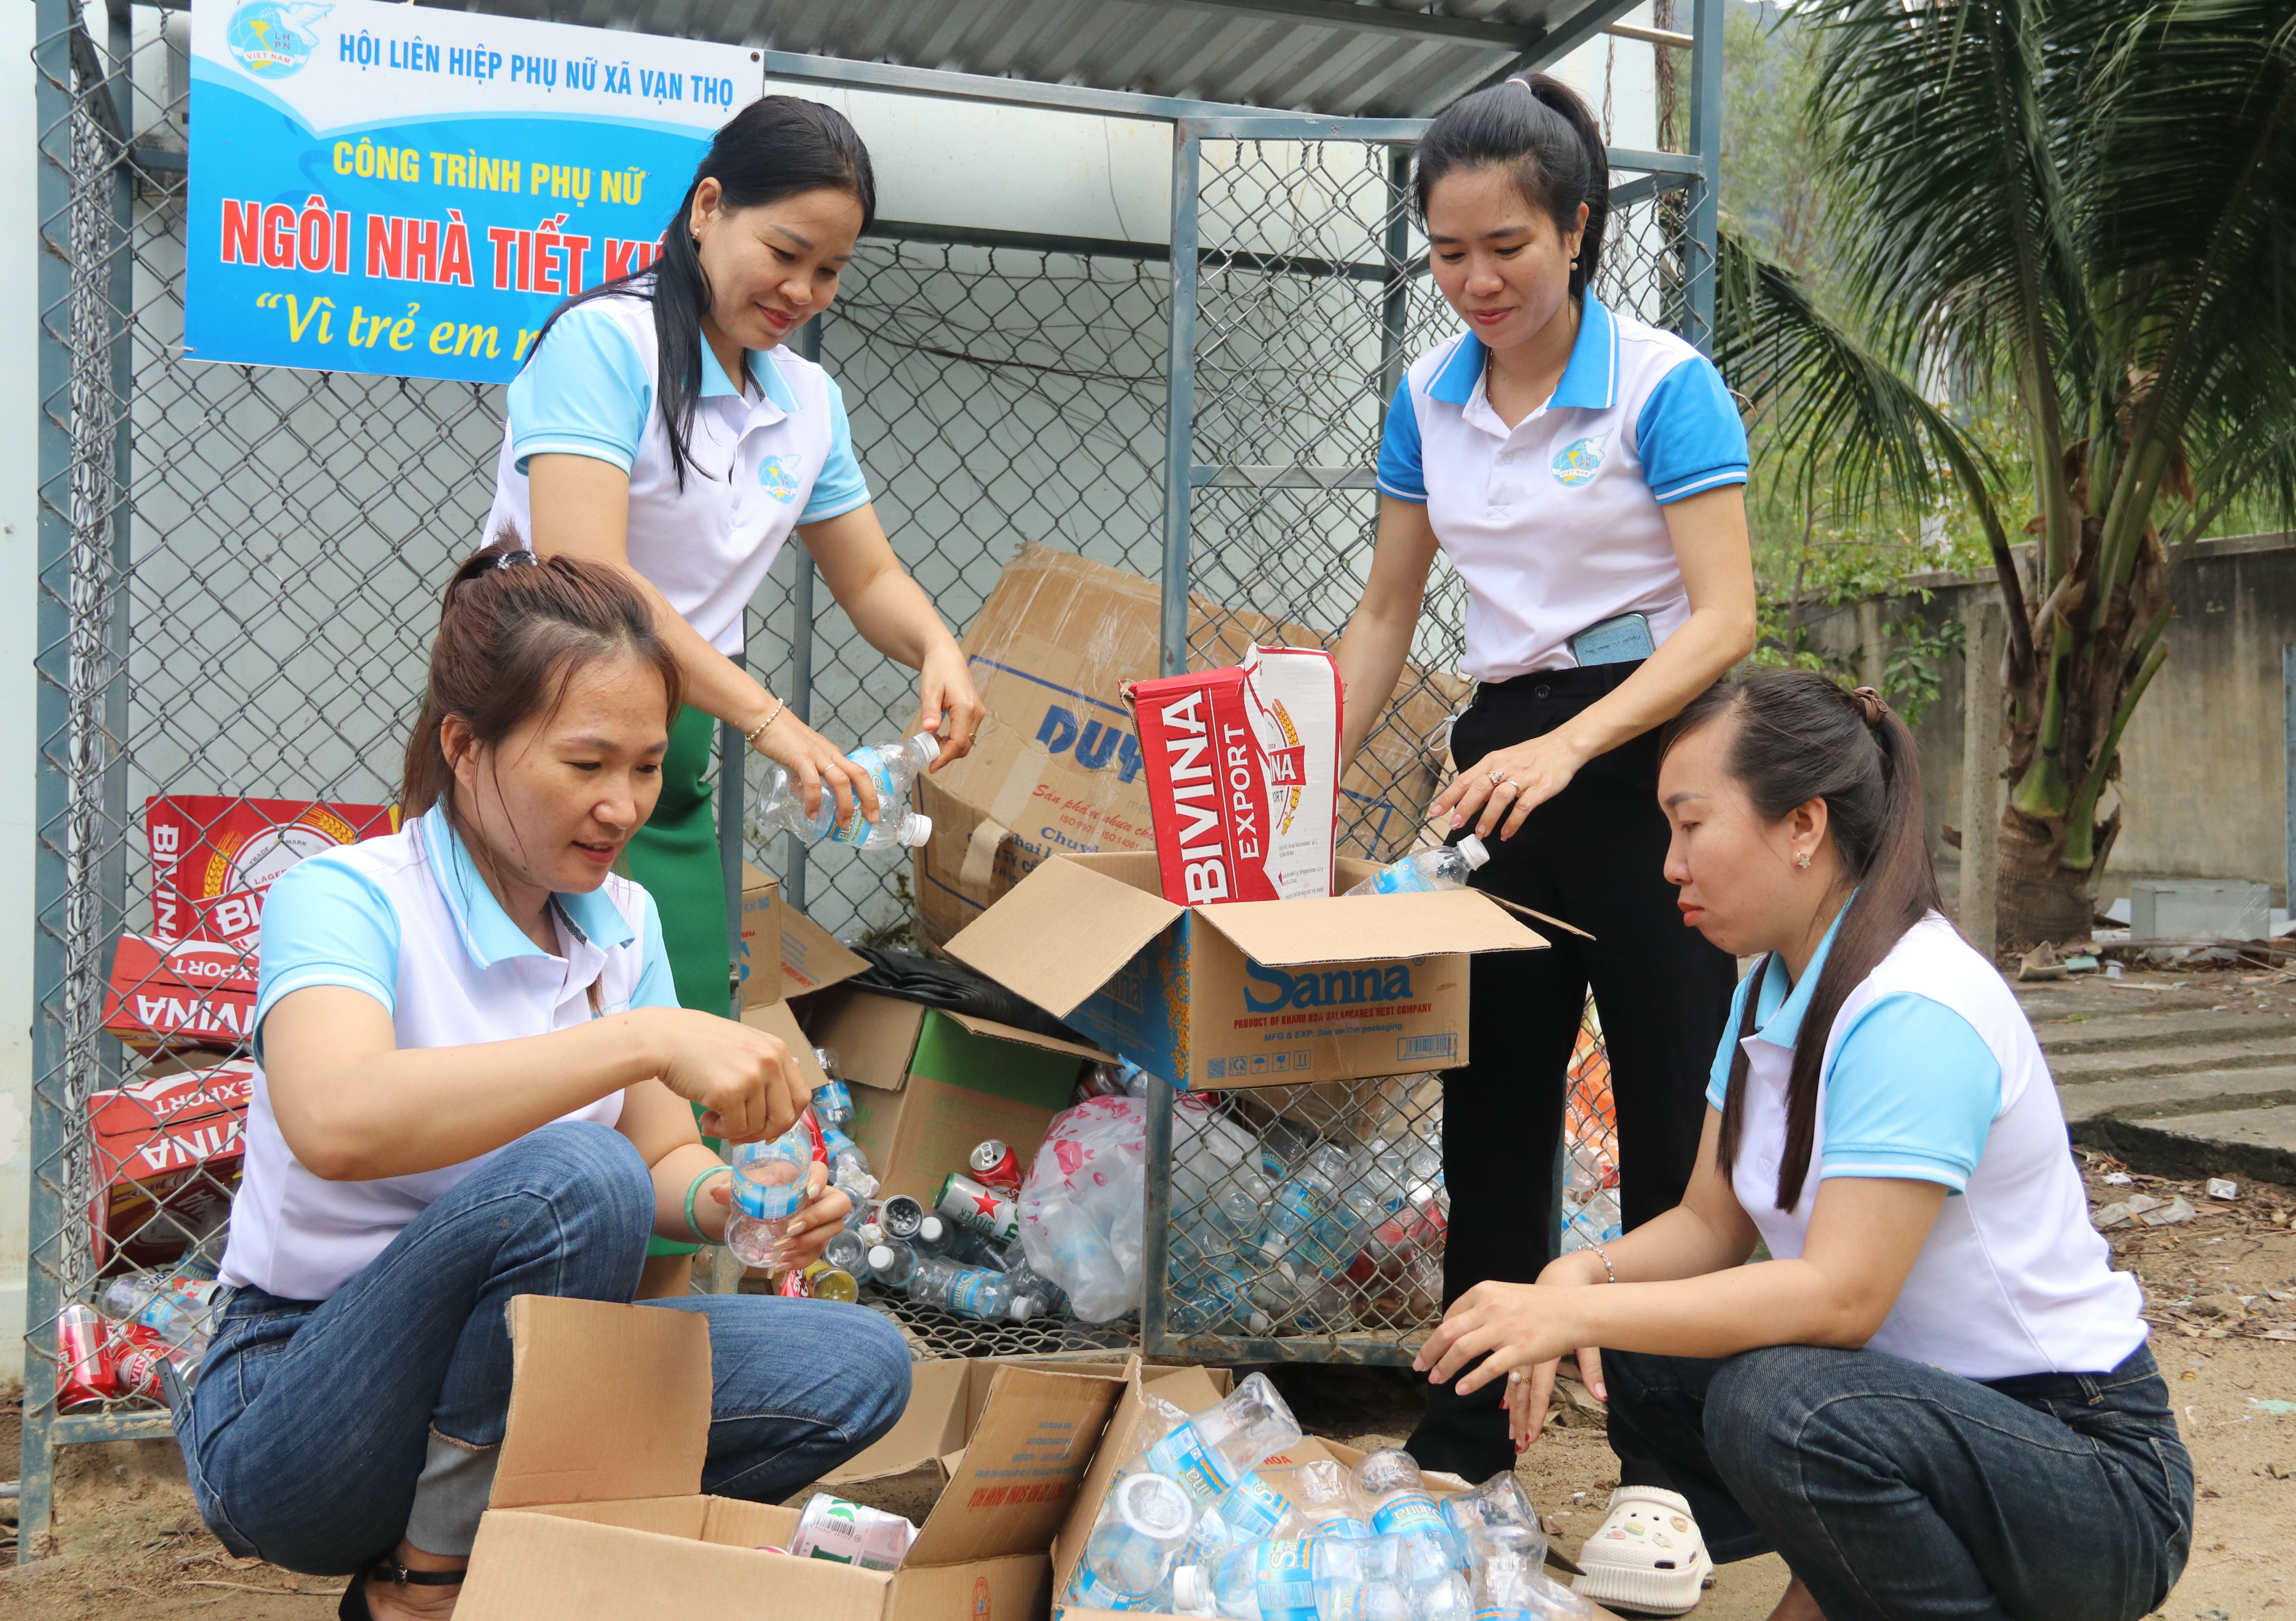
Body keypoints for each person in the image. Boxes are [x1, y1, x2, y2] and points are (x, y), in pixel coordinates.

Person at [171, 544, 911, 1621]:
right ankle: (433, 1589)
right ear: (466, 747)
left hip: (525, 1383)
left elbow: (663, 1158)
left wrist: (741, 1206)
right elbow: (334, 1122)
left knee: (858, 1364)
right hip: (299, 1401)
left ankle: (529, 1566)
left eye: (647, 767)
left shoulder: (625, 923)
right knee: (578, 1173)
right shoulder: (343, 898)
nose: (622, 805)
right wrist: (641, 1039)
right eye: (585, 764)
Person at [1412, 669, 2191, 1621]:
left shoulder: (1915, 1005)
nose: (1668, 863)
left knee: (1782, 1399)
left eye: (1692, 825)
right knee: (1652, 1361)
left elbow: (1841, 1296)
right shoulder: (1770, 989)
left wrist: (1574, 1320)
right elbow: (1706, 1223)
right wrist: (1571, 1283)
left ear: (1804, 826)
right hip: (1932, 1418)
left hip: (2088, 1470)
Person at [1330, 73, 1756, 1487]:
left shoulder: (1660, 383)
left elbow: (1722, 617)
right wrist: (1298, 766)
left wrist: (1579, 744)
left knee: (1665, 1121)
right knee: (1490, 1124)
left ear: (1575, 230)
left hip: (1654, 767)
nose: (1475, 281)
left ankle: (1671, 1479)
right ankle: (1463, 1451)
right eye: (1447, 253)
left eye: (1504, 246)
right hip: (1496, 772)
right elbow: (1388, 614)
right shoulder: (1426, 398)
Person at [484, 94, 985, 1293]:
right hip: (539, 733)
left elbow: (866, 571)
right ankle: (504, 1343)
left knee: (686, 1061)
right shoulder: (603, 346)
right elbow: (591, 582)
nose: (804, 290)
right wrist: (770, 717)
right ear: (708, 209)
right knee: (521, 1034)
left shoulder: (804, 402)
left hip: (673, 748)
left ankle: (646, 1355)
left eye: (831, 271)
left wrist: (936, 648)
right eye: (785, 253)